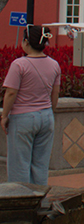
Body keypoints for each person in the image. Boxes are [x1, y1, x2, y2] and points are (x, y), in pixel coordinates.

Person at [2, 25, 61, 188]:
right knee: (40, 165)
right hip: (46, 117)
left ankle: (20, 203)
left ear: (26, 42)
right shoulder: (54, 64)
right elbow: (55, 94)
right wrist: (50, 111)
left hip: (23, 118)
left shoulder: (19, 64)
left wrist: (5, 116)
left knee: (19, 165)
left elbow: (11, 93)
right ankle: (40, 201)